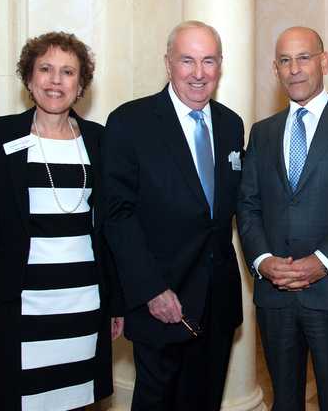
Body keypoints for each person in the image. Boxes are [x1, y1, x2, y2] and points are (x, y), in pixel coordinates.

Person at [0, 31, 124, 410]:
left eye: (68, 72)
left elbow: (108, 231)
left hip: (82, 303)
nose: (55, 80)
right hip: (21, 305)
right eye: (45, 69)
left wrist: (116, 303)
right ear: (29, 78)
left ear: (80, 84)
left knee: (75, 398)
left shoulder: (100, 140)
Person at [237, 26, 328, 410]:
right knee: (284, 400)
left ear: (324, 61)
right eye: (284, 60)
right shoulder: (262, 133)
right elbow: (248, 205)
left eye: (303, 57)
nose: (294, 69)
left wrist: (321, 263)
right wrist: (262, 261)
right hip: (275, 293)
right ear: (275, 68)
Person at [103, 21, 244, 411]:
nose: (199, 73)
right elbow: (117, 214)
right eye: (187, 60)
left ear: (220, 65)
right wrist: (151, 289)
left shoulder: (232, 124)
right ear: (168, 64)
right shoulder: (131, 122)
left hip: (217, 300)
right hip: (162, 299)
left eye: (209, 61)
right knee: (158, 401)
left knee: (205, 400)